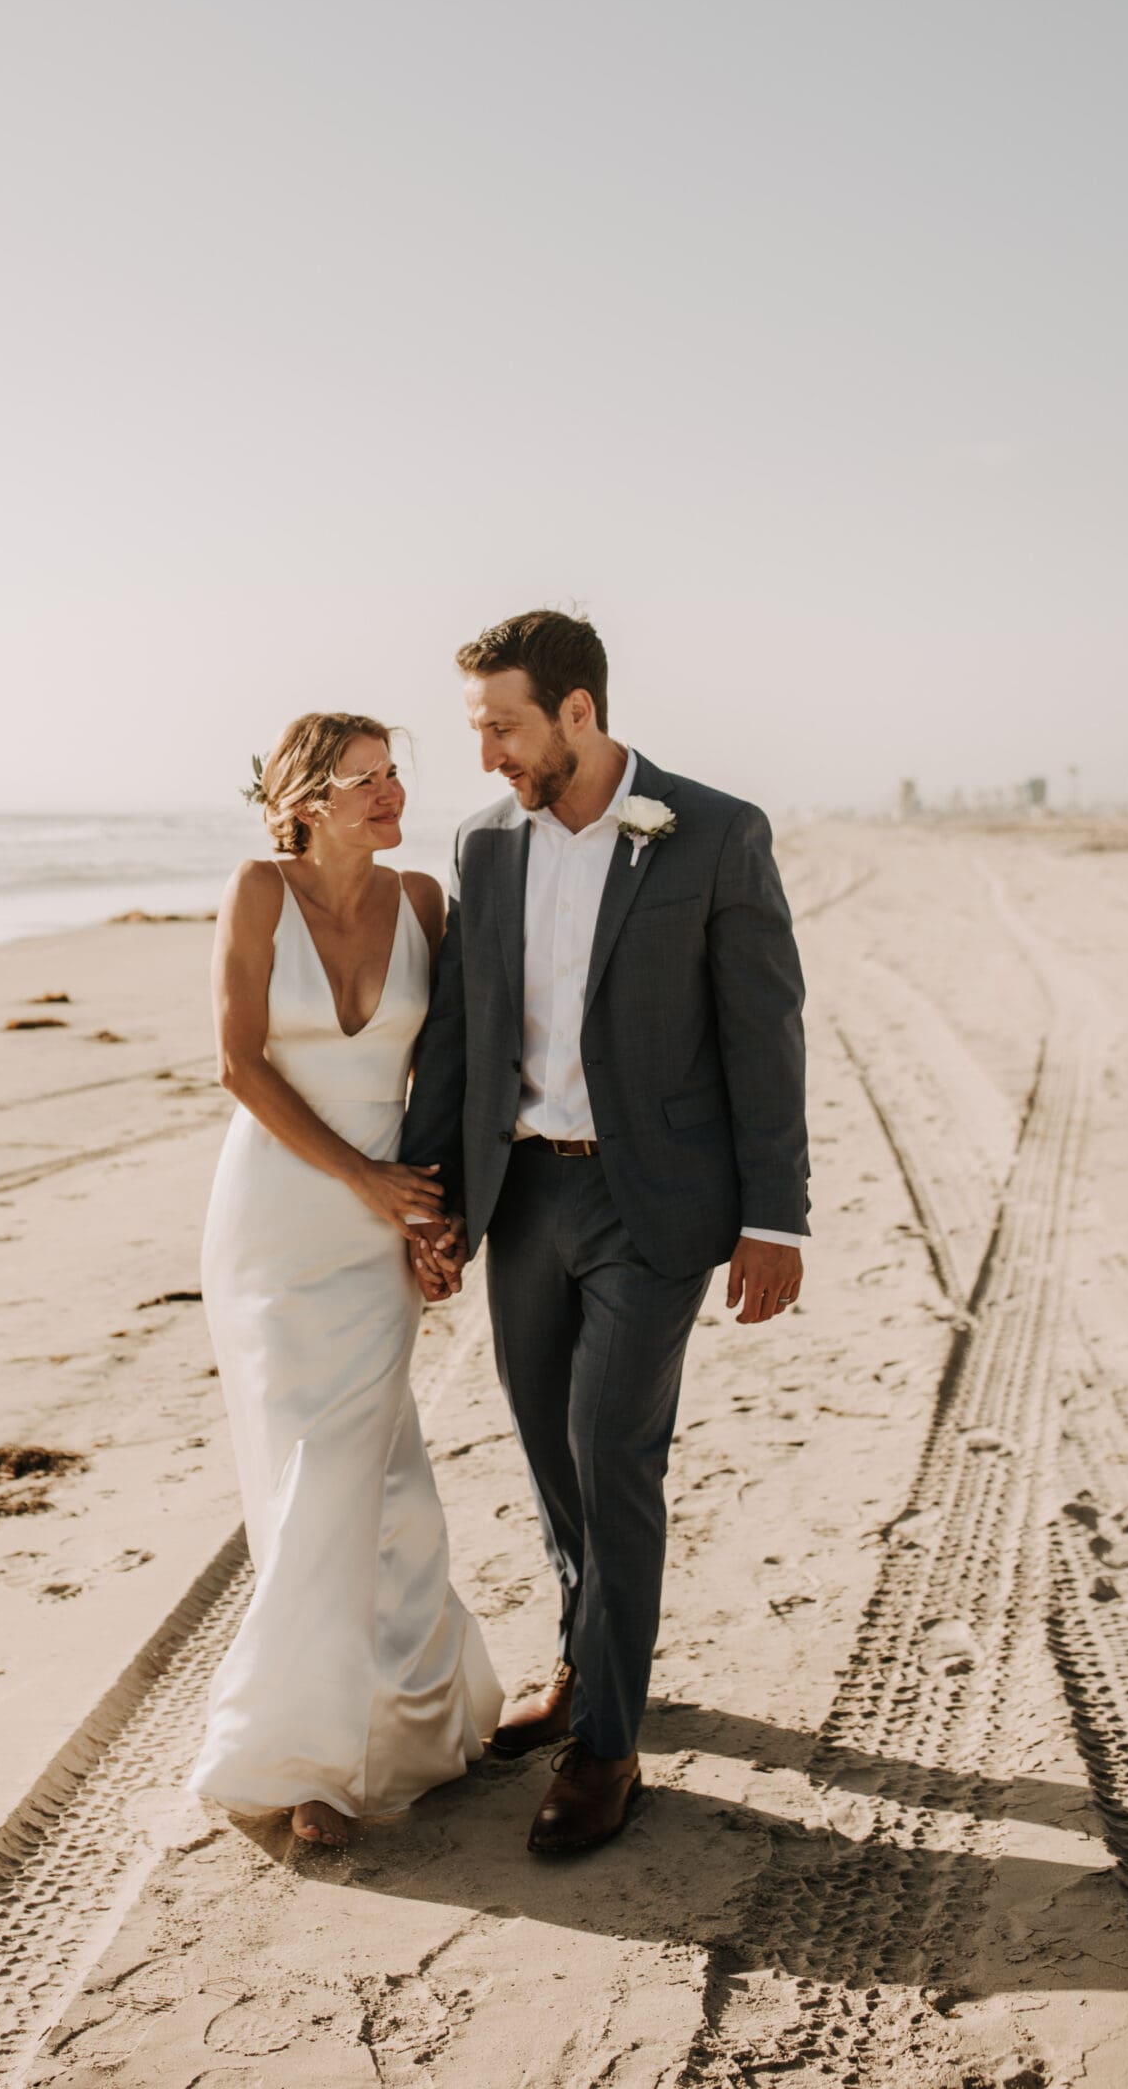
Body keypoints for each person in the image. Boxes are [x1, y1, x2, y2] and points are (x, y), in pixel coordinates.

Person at [402, 610, 810, 1855]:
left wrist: (773, 1214)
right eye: (478, 731)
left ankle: (608, 1745)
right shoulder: (484, 846)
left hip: (660, 1201)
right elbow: (463, 1040)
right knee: (546, 1450)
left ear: (577, 712)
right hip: (524, 1194)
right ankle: (588, 1666)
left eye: (503, 728)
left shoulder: (716, 831)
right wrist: (434, 1201)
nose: (488, 759)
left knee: (610, 1449)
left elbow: (764, 1028)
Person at [187, 711, 501, 1845]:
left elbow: (444, 1074)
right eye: (364, 780)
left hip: (382, 1220)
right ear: (306, 799)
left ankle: (421, 1720)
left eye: (393, 774)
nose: (390, 794)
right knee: (309, 1476)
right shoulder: (259, 890)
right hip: (278, 1218)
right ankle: (298, 1761)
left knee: (393, 1484)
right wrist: (364, 1181)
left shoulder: (423, 901)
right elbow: (238, 1062)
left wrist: (429, 1217)